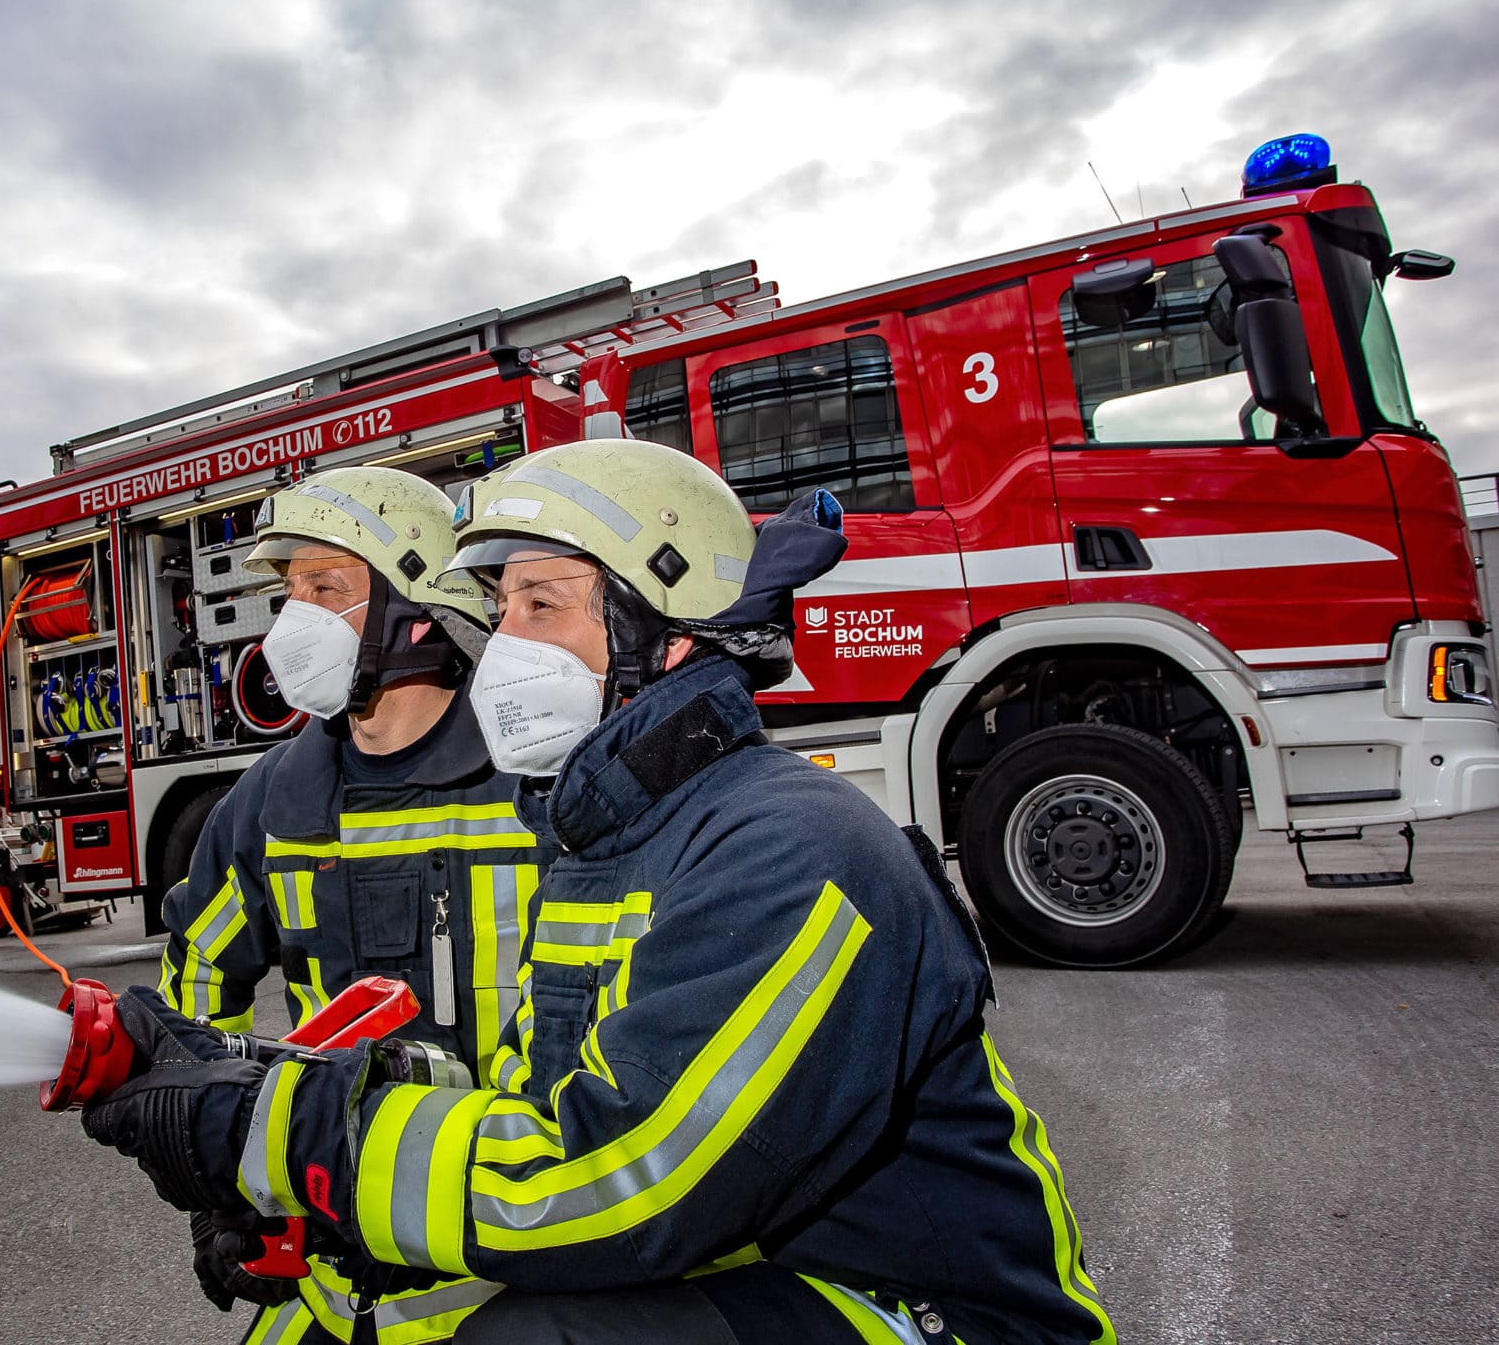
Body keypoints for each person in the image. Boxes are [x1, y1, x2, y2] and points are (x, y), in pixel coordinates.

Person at [91, 440, 1116, 1344]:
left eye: (541, 604)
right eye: (500, 610)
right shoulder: (613, 831)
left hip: (917, 1307)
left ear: (661, 631)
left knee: (539, 1334)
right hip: (755, 1264)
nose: (503, 646)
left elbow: (619, 1182)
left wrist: (299, 1136)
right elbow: (540, 1094)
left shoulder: (783, 846)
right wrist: (261, 1082)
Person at [152, 466, 552, 1343]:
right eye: (288, 592)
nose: (291, 622)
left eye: (326, 587)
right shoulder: (273, 801)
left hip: (509, 1282)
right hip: (330, 1293)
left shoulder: (532, 788)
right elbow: (196, 977)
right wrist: (218, 1186)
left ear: (419, 607)